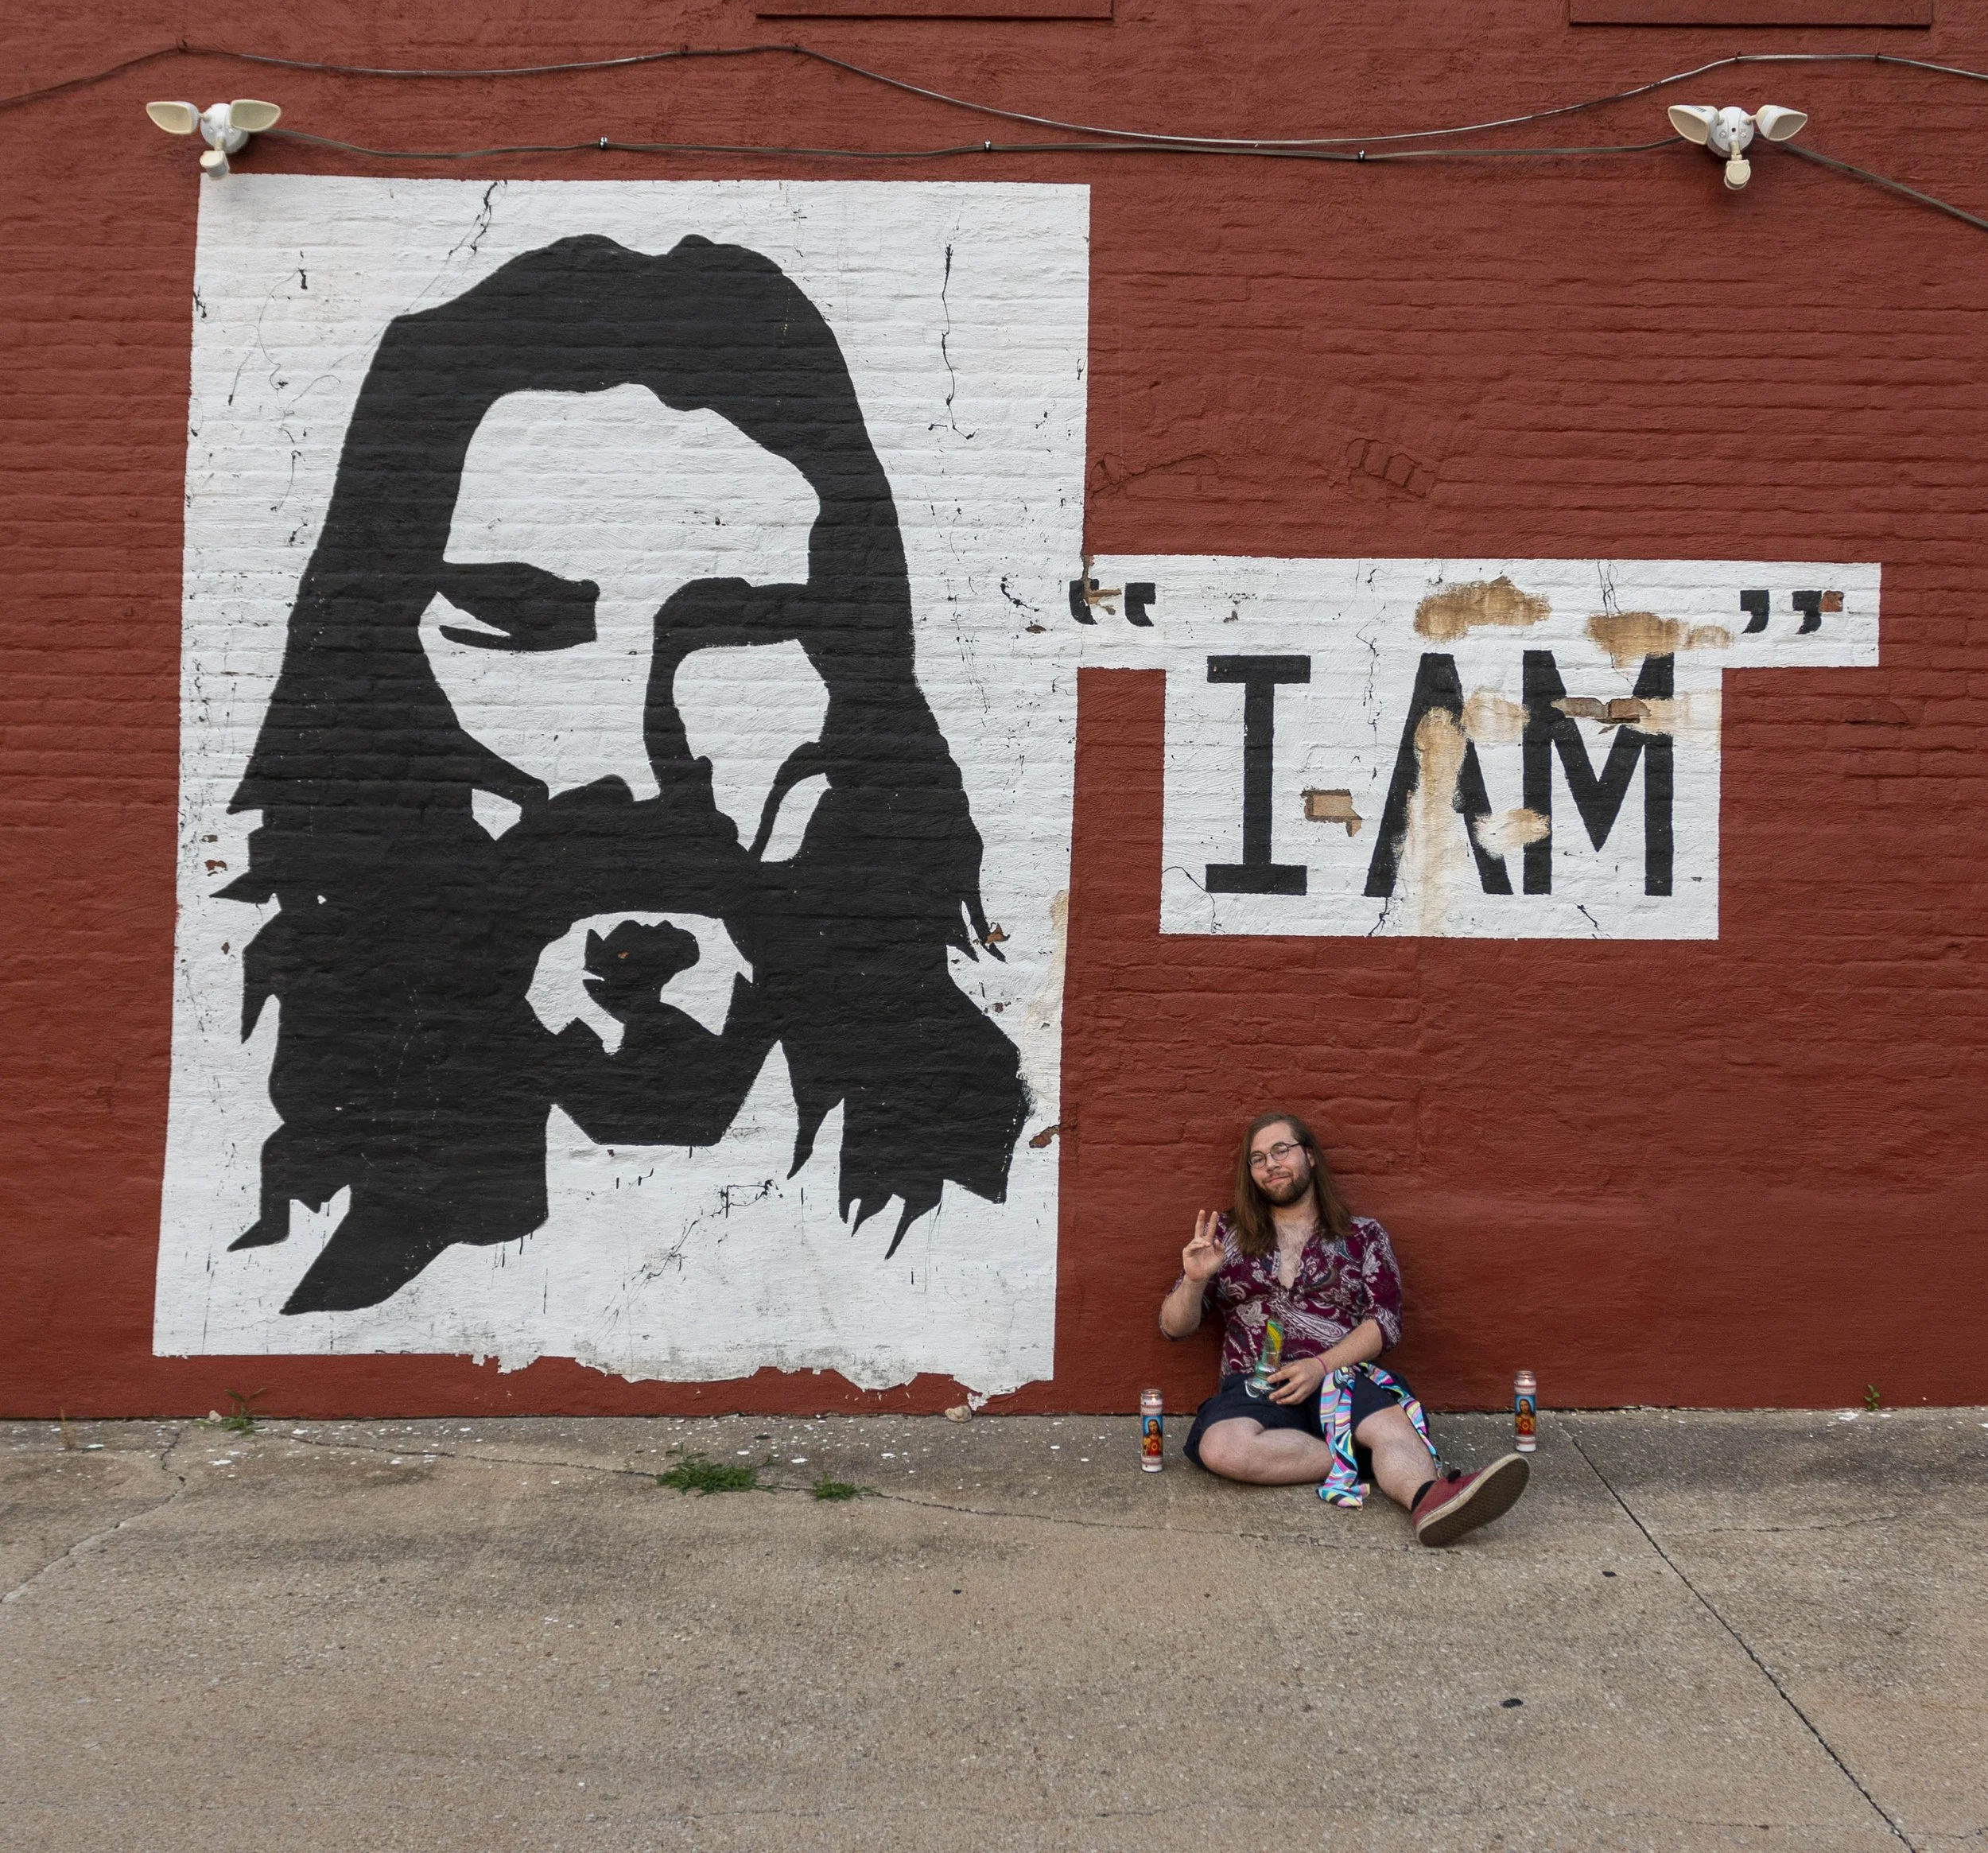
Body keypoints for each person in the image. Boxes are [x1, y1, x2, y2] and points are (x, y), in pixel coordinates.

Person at [219, 232, 1027, 1314]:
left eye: (743, 629)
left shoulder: (953, 1144)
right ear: (377, 652)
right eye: (517, 624)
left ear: (853, 667)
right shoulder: (313, 1180)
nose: (627, 763)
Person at [1160, 1109, 1528, 1547]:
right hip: (1255, 1385)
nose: (1270, 1164)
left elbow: (1385, 1324)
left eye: (1281, 1150)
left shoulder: (1363, 1236)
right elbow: (1173, 1327)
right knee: (1222, 1448)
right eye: (1257, 1159)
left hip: (1340, 1376)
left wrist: (1320, 1366)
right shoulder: (1230, 1237)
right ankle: (1365, 1457)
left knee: (1390, 1429)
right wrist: (1197, 1278)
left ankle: (1431, 1500)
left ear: (1310, 1157)